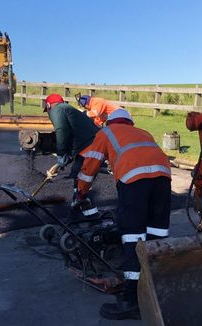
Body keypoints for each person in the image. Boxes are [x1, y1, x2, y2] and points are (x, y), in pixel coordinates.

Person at [75, 109, 172, 320]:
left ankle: (131, 301)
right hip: (163, 181)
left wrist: (80, 192)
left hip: (134, 182)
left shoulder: (106, 133)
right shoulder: (144, 132)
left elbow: (90, 164)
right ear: (131, 122)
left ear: (110, 122)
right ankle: (157, 292)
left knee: (133, 238)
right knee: (156, 237)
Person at [43, 93, 99, 211]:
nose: (48, 113)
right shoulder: (68, 109)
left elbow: (62, 131)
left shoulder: (57, 109)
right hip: (90, 142)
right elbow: (70, 133)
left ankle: (82, 202)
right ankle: (81, 203)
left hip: (90, 144)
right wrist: (66, 157)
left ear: (48, 105)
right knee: (77, 172)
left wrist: (61, 155)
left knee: (80, 173)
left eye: (47, 110)